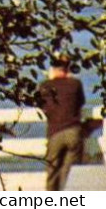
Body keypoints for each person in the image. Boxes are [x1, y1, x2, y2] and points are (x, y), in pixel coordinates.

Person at [37, 58, 86, 192]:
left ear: (52, 70)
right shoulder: (75, 84)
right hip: (73, 131)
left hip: (55, 132)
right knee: (69, 173)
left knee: (52, 171)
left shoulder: (45, 85)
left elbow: (40, 104)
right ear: (67, 70)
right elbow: (81, 102)